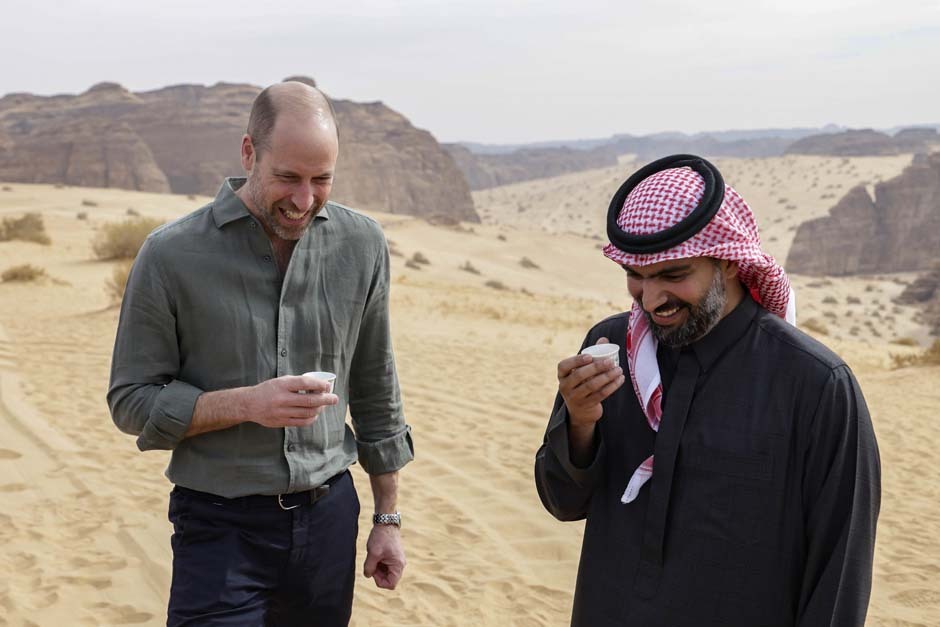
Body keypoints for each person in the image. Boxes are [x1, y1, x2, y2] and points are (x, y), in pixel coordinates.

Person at [108, 81, 414, 626]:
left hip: (329, 522)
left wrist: (387, 518)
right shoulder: (170, 254)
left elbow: (376, 389)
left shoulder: (362, 244)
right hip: (219, 529)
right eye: (288, 177)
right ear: (249, 152)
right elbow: (131, 401)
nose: (304, 200)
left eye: (322, 180)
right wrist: (247, 404)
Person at [535, 154, 880, 627]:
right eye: (637, 276)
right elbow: (562, 502)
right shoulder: (610, 350)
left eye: (673, 275)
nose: (651, 300)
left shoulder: (815, 384)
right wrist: (579, 424)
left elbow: (839, 573)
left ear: (731, 264)